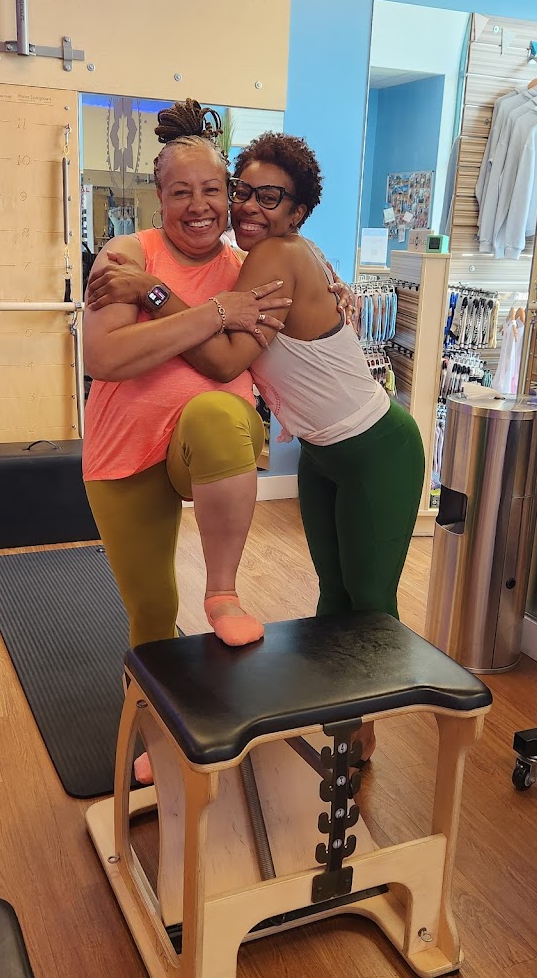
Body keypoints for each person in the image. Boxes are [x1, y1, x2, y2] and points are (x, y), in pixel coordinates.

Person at [88, 128, 425, 764]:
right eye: (244, 191)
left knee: (370, 604)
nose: (246, 207)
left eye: (268, 198)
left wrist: (152, 293)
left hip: (378, 449)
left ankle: (362, 735)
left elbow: (222, 362)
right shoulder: (251, 259)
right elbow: (114, 352)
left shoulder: (272, 257)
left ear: (297, 212)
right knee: (332, 598)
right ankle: (340, 725)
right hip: (323, 455)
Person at [82, 99, 293, 658]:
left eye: (211, 190)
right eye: (181, 192)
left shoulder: (249, 270)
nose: (198, 206)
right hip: (125, 451)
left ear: (229, 196)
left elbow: (227, 363)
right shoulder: (127, 254)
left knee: (214, 412)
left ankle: (222, 593)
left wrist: (153, 295)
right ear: (160, 199)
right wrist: (214, 312)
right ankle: (147, 713)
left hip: (218, 445)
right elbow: (103, 358)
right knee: (152, 611)